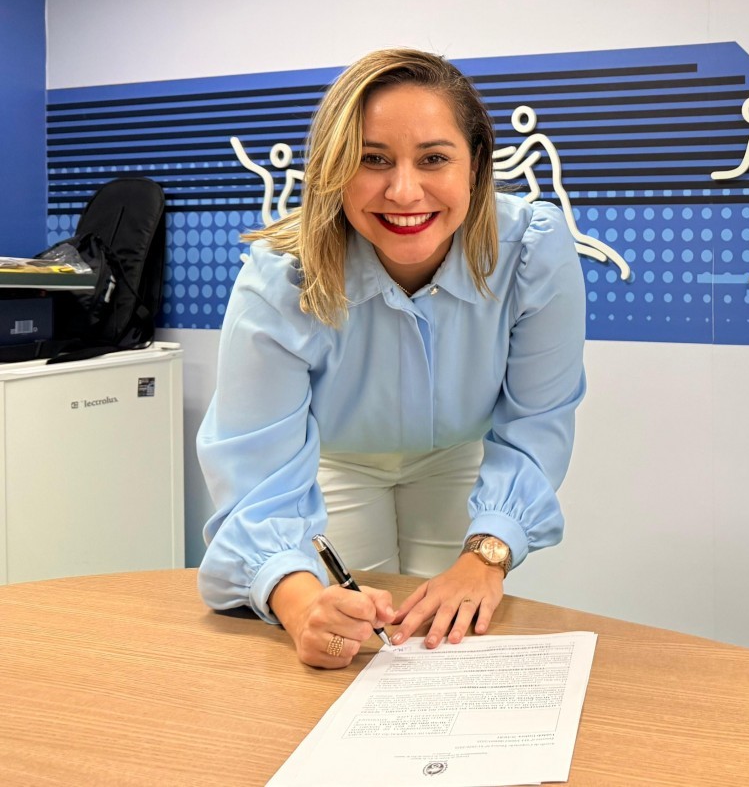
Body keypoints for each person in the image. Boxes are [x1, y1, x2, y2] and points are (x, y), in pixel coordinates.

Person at [198, 48, 586, 669]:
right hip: (335, 463)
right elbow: (257, 476)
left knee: (453, 645)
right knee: (348, 647)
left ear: (476, 164)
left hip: (460, 457)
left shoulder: (533, 250)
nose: (404, 191)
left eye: (434, 158)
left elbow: (538, 422)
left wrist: (487, 554)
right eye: (372, 159)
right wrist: (302, 605)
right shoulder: (282, 276)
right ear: (334, 169)